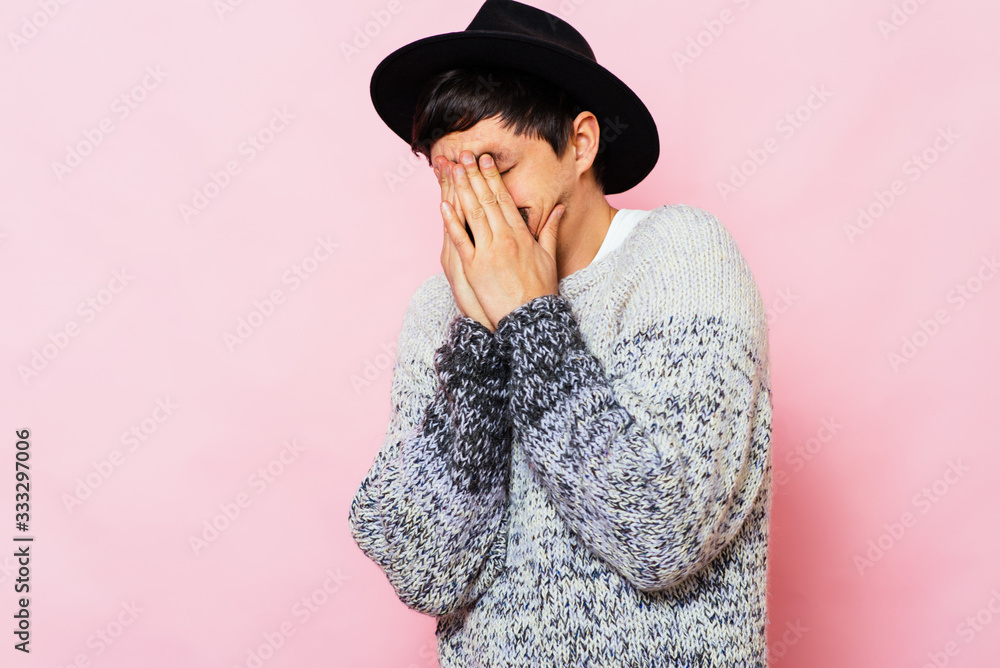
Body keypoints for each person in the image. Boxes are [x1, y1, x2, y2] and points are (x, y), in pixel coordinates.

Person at [347, 1, 774, 665]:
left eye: (496, 167)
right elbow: (426, 573)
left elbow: (662, 533)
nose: (475, 203)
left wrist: (530, 317)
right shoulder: (438, 311)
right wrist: (479, 343)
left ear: (580, 144)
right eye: (449, 175)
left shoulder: (680, 255)